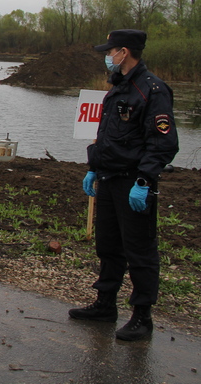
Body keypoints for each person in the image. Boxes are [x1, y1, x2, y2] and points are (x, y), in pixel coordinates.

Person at [70, 29, 178, 341]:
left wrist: (144, 180)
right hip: (108, 178)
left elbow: (163, 143)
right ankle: (105, 304)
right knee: (108, 245)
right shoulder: (118, 86)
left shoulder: (152, 90)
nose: (108, 57)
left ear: (124, 52)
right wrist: (94, 168)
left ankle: (142, 316)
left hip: (133, 182)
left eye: (111, 51)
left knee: (139, 251)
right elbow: (107, 135)